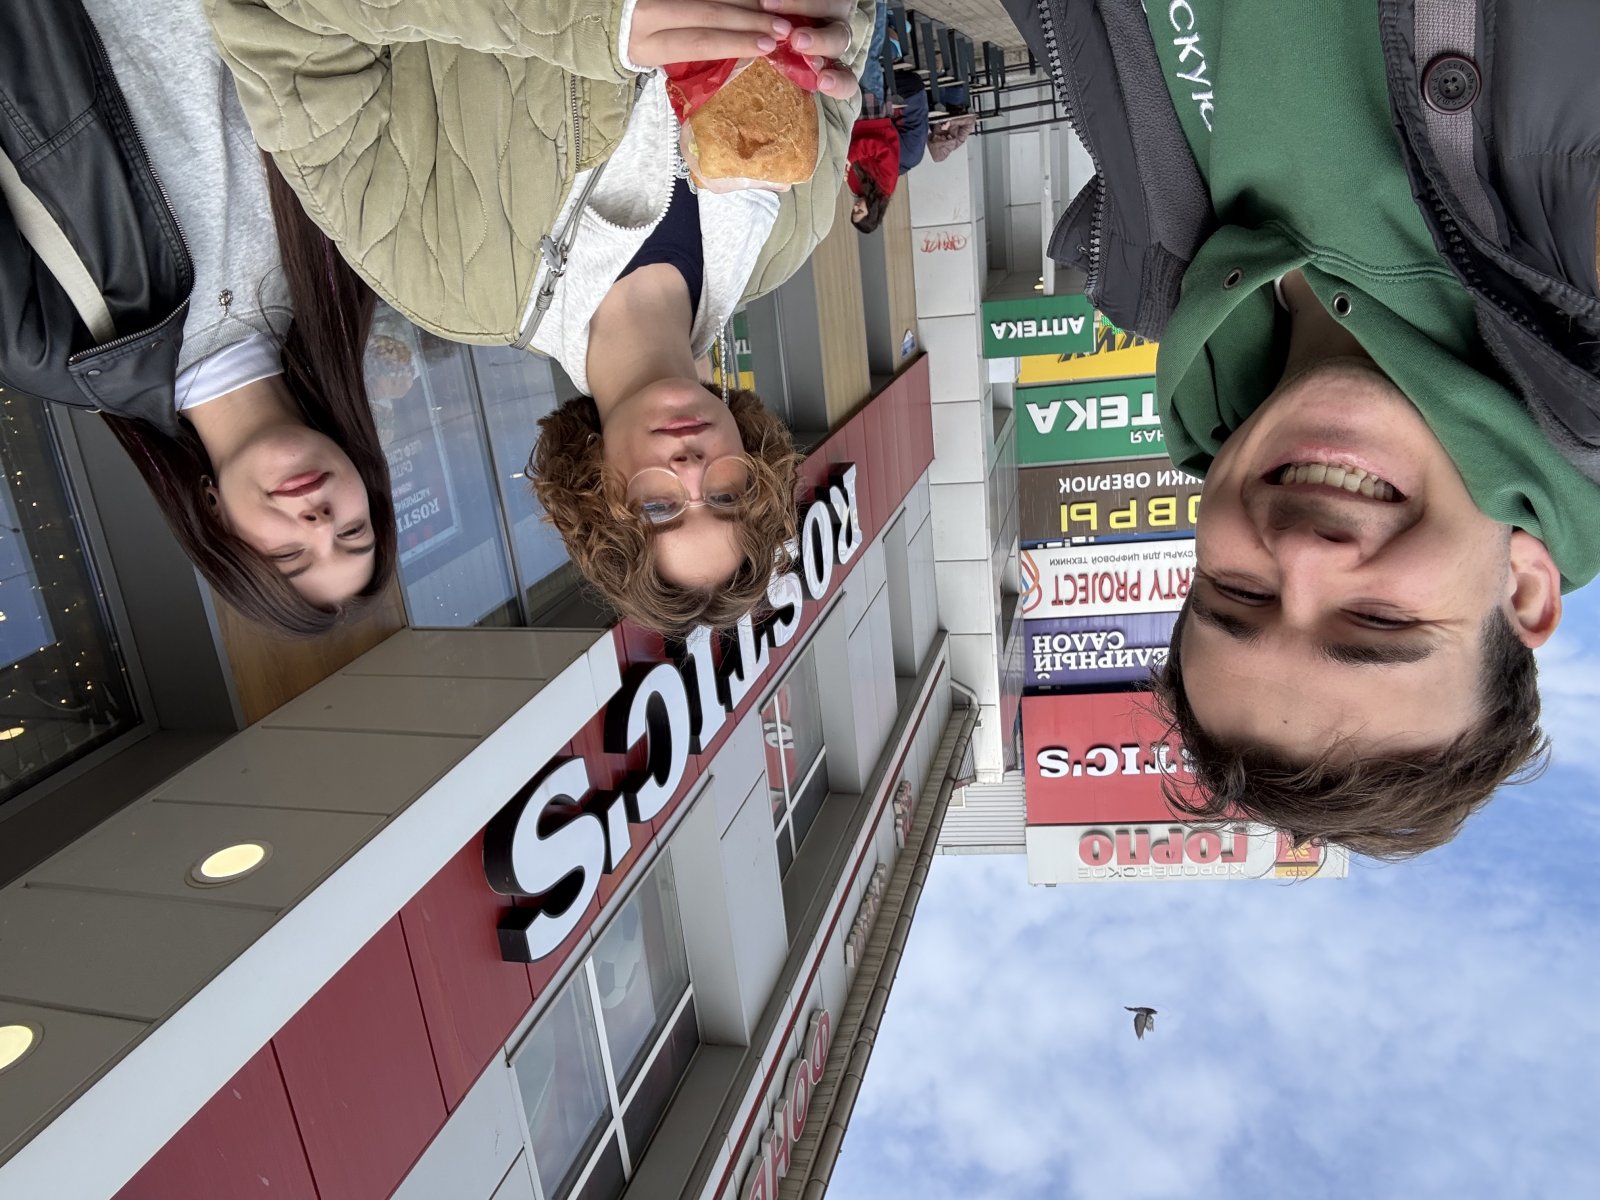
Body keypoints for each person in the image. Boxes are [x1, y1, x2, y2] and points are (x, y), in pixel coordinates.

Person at [1002, 0, 1600, 858]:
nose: (1301, 554)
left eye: (1239, 594)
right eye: (1379, 622)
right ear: (1524, 590)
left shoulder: (1145, 265)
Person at [206, 0, 876, 635]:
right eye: (726, 497)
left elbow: (271, 21)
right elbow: (850, 28)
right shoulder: (792, 227)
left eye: (659, 507)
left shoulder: (442, 277)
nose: (692, 468)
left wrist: (589, 24)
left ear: (596, 492)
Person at [1, 0, 397, 637]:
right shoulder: (350, 266)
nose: (320, 524)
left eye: (289, 555)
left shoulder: (65, 352)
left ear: (215, 519)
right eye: (353, 529)